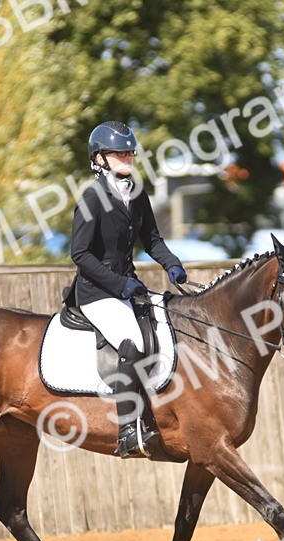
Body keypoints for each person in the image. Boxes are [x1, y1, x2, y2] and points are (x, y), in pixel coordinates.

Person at [69, 120, 187, 458]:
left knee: (168, 326)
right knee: (132, 342)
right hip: (96, 292)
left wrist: (172, 264)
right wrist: (120, 284)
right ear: (100, 158)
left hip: (127, 287)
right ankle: (126, 431)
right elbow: (79, 254)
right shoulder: (92, 197)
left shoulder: (135, 192)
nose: (128, 156)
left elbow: (152, 240)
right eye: (120, 151)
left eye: (130, 150)